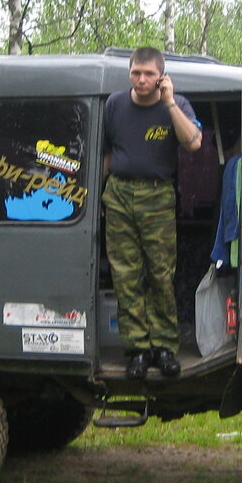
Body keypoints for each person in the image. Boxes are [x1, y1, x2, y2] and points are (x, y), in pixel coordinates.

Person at [103, 47, 203, 380]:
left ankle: (164, 347)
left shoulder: (176, 104)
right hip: (119, 193)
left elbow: (193, 143)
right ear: (129, 73)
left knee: (160, 273)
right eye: (136, 73)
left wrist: (170, 102)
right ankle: (137, 350)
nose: (142, 79)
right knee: (126, 275)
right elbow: (105, 155)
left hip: (157, 195)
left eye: (148, 74)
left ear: (161, 76)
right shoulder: (115, 104)